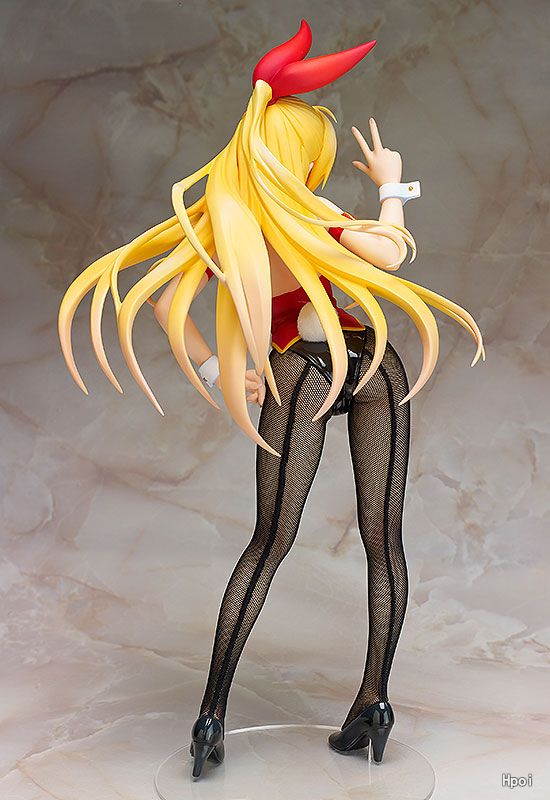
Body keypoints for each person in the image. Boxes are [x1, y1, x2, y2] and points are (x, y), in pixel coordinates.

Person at [57, 19, 484, 781]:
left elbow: (165, 304)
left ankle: (211, 718)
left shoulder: (231, 229)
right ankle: (374, 702)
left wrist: (221, 369)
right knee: (384, 540)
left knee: (269, 542)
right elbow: (389, 253)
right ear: (303, 158)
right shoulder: (314, 216)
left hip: (303, 372)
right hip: (373, 361)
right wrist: (391, 183)